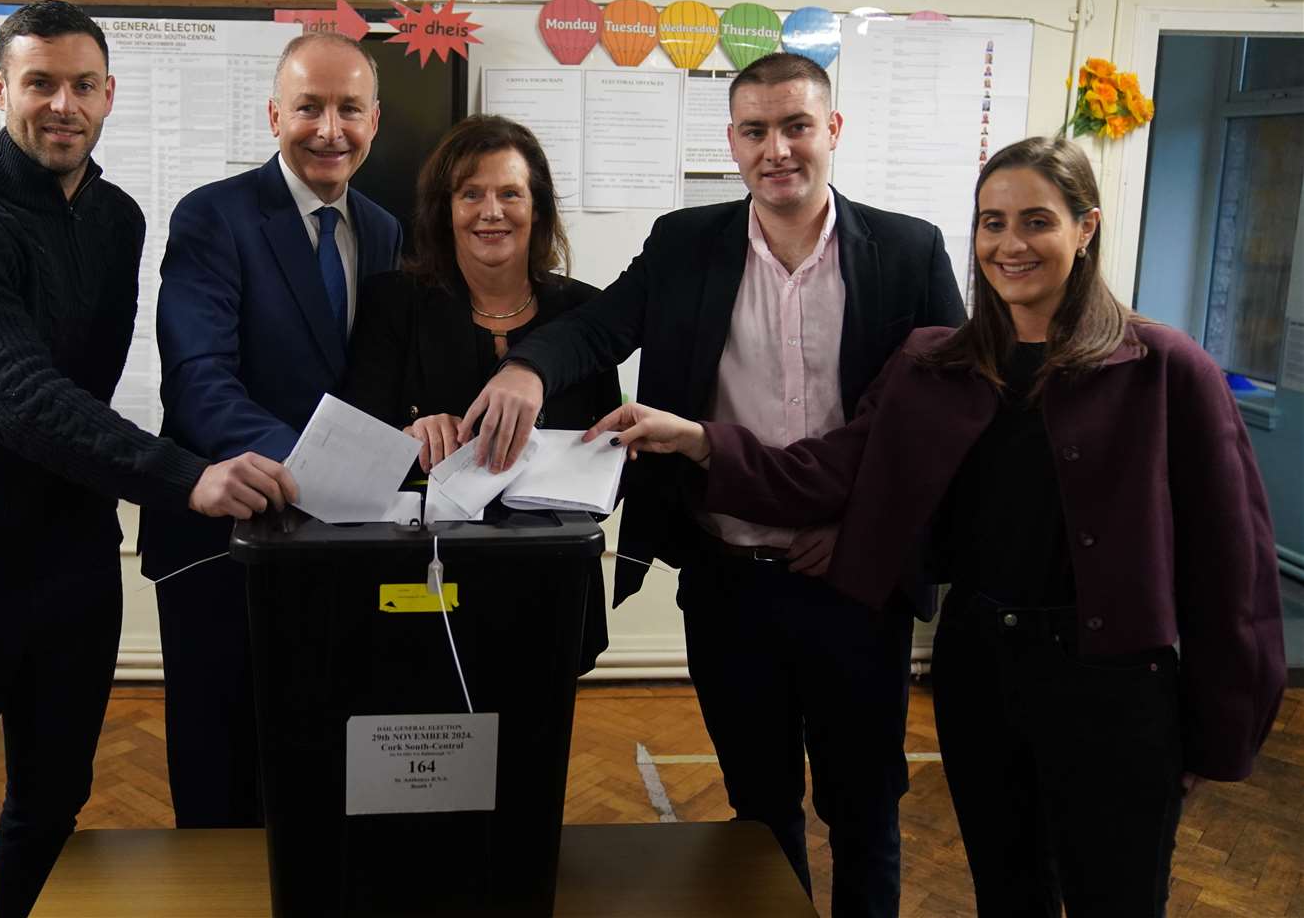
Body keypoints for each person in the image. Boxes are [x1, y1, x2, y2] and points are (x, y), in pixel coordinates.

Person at [587, 136, 1286, 918]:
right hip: (980, 673)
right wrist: (700, 439)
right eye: (992, 223)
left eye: (1036, 222)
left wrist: (1220, 727)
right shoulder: (936, 364)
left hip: (1116, 690)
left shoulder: (1163, 367)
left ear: (1085, 228)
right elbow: (824, 471)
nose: (1010, 245)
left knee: (1114, 897)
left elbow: (1236, 566)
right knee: (1007, 891)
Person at [461, 52, 964, 916]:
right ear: (731, 143)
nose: (778, 149)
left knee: (865, 813)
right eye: (756, 130)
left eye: (797, 126)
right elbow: (596, 327)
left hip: (850, 583)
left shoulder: (908, 251)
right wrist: (529, 372)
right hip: (730, 582)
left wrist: (863, 535)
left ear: (832, 131)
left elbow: (942, 427)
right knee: (758, 815)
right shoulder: (685, 243)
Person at [0, 0, 296, 918]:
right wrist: (187, 474)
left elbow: (86, 389)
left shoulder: (118, 221)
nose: (62, 104)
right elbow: (21, 400)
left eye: (82, 85)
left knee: (49, 810)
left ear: (109, 96)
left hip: (72, 572)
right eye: (40, 83)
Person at [140, 31, 402, 828]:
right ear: (273, 115)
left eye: (348, 108)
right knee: (221, 768)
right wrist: (318, 469)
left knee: (319, 749)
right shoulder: (214, 217)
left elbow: (376, 382)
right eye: (309, 108)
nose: (330, 129)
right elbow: (196, 379)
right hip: (224, 543)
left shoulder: (386, 231)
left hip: (336, 547)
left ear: (375, 119)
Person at [339, 114, 621, 671]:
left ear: (536, 207)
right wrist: (407, 437)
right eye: (471, 194)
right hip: (418, 583)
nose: (491, 211)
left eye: (510, 193)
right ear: (445, 210)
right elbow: (355, 445)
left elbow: (607, 471)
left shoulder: (585, 313)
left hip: (548, 585)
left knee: (532, 751)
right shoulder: (392, 303)